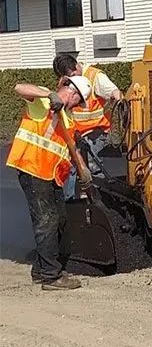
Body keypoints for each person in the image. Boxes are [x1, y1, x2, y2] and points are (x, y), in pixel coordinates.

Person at [5, 75, 92, 290]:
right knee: (47, 220)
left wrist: (82, 168)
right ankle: (50, 277)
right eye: (78, 101)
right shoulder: (44, 101)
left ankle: (41, 269)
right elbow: (19, 87)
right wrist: (49, 94)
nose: (78, 106)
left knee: (60, 220)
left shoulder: (68, 117)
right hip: (33, 167)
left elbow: (69, 146)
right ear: (72, 93)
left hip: (51, 175)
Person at [52, 54, 122, 199]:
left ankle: (100, 199)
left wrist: (118, 99)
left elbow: (115, 92)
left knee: (93, 167)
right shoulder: (66, 79)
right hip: (73, 131)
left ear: (77, 66)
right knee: (70, 166)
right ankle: (70, 201)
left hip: (94, 132)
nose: (72, 78)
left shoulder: (95, 76)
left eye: (73, 74)